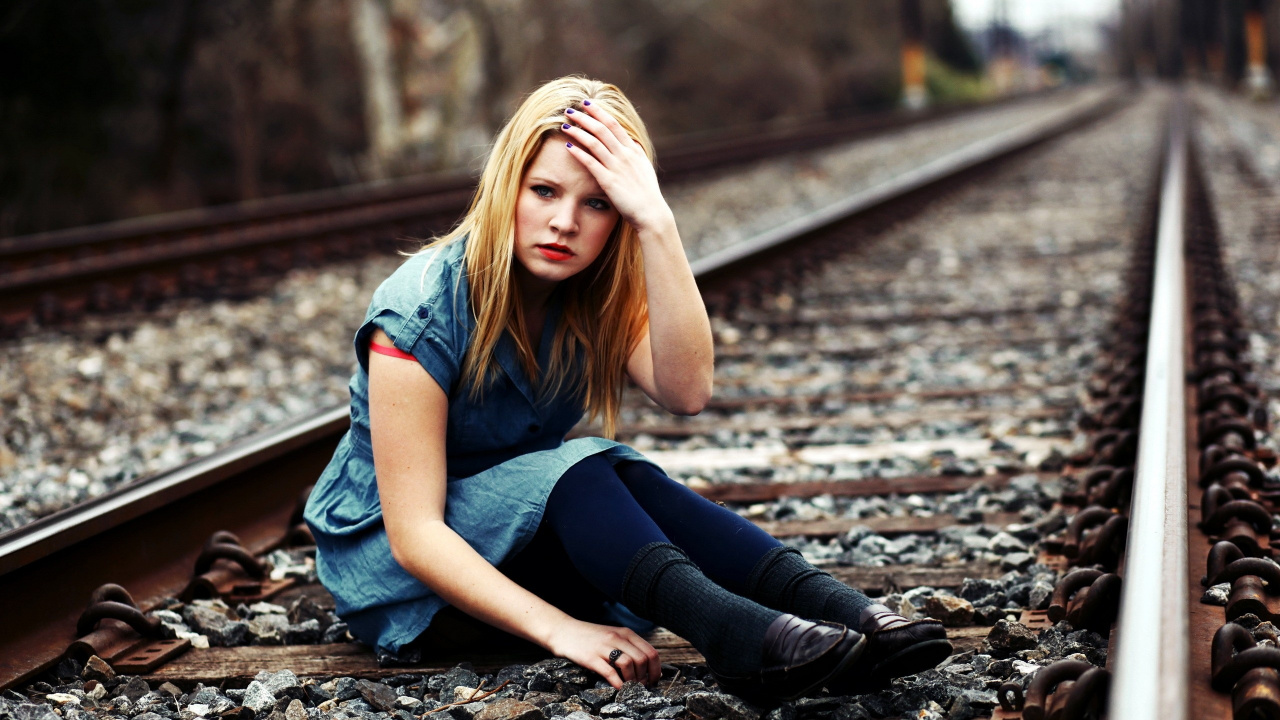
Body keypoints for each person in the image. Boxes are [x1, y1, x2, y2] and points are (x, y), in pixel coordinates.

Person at [303, 76, 950, 704]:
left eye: (597, 203)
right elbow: (415, 534)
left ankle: (848, 614)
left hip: (523, 541)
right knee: (581, 467)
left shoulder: (594, 294)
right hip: (409, 576)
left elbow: (687, 390)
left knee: (618, 473)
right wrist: (564, 631)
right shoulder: (420, 311)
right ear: (507, 187)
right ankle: (737, 636)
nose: (564, 223)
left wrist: (658, 223)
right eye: (545, 191)